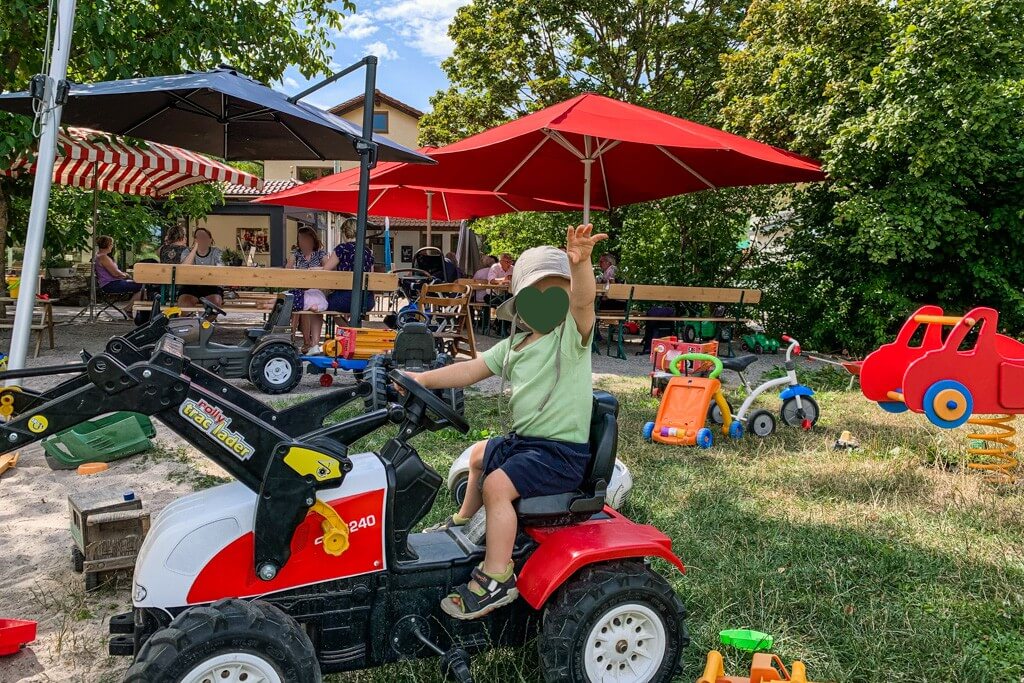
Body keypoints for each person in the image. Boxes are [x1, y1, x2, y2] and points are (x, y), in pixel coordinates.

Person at [407, 225, 607, 620]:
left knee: (497, 486)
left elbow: (585, 304)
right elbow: (471, 370)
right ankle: (465, 522)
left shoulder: (569, 336)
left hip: (560, 454)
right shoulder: (514, 346)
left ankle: (497, 577)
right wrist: (423, 380)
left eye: (558, 291)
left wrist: (581, 265)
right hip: (526, 443)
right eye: (537, 292)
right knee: (479, 456)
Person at [286, 226, 329, 353]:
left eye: (306, 239)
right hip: (300, 289)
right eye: (301, 239)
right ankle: (303, 342)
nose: (303, 242)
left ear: (312, 239)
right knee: (300, 306)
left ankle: (310, 343)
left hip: (316, 290)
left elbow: (328, 268)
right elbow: (287, 269)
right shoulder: (296, 254)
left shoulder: (320, 253)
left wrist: (316, 270)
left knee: (307, 305)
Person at [324, 217, 375, 317]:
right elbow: (371, 274)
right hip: (366, 301)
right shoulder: (368, 251)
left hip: (343, 300)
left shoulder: (341, 249)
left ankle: (348, 330)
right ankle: (351, 330)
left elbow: (326, 270)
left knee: (325, 303)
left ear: (344, 232)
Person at [178, 227, 224, 308]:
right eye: (198, 237)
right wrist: (195, 248)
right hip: (191, 286)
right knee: (184, 305)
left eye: (204, 237)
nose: (201, 239)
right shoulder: (187, 252)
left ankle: (204, 321)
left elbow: (220, 271)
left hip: (212, 286)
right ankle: (191, 320)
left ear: (210, 240)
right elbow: (184, 269)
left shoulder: (217, 252)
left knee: (214, 305)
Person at [94, 235, 144, 304]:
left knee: (140, 285)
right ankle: (128, 309)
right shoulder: (103, 257)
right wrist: (126, 275)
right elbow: (115, 274)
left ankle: (130, 308)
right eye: (111, 244)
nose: (112, 246)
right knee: (142, 286)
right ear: (108, 245)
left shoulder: (98, 255)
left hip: (108, 284)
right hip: (111, 284)